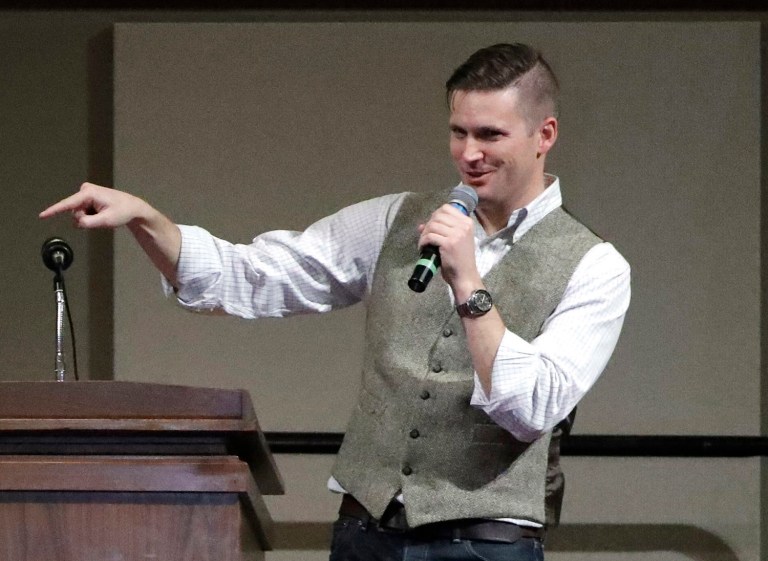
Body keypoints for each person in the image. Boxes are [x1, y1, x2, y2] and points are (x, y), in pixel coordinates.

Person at [41, 43, 630, 561]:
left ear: (544, 135)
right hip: (366, 531)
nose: (468, 153)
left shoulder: (595, 266)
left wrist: (470, 288)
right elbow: (257, 275)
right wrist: (148, 220)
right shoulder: (397, 219)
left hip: (486, 542)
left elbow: (530, 408)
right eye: (459, 132)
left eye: (490, 135)